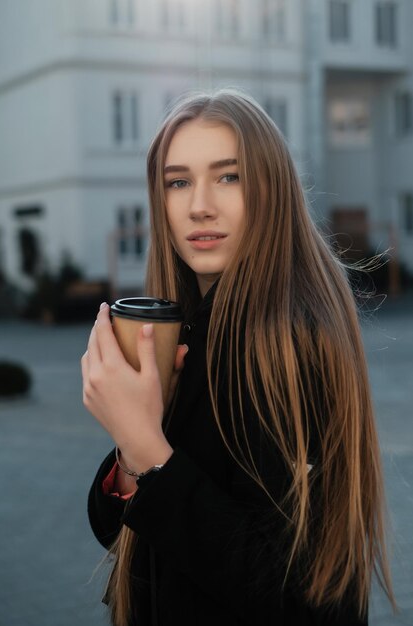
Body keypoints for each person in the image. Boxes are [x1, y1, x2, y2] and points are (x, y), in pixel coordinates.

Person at [82, 89, 396, 626]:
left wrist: (150, 452)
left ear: (271, 189)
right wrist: (132, 446)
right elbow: (129, 534)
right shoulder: (196, 327)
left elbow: (301, 599)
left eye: (229, 176)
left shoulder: (285, 342)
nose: (199, 204)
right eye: (178, 181)